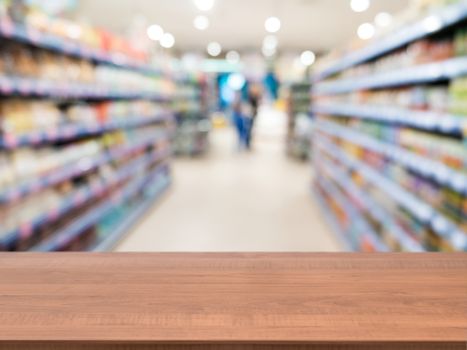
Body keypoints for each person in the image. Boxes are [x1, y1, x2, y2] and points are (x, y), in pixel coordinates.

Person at [245, 83, 262, 150]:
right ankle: (247, 143)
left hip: (253, 114)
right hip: (249, 114)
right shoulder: (250, 97)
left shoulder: (255, 96)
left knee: (250, 129)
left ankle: (248, 143)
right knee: (248, 129)